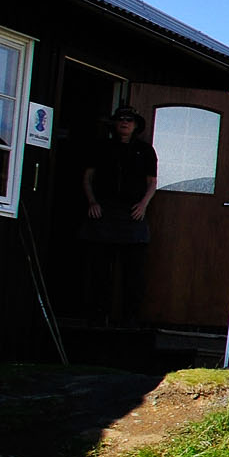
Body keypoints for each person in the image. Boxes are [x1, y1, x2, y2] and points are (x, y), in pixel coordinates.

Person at [79, 104, 158, 325]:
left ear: (135, 125)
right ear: (115, 123)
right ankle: (97, 315)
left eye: (129, 120)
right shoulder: (101, 147)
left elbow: (152, 182)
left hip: (133, 212)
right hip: (104, 210)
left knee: (134, 270)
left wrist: (143, 204)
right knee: (99, 268)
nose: (125, 123)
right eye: (121, 119)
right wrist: (92, 202)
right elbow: (87, 177)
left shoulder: (145, 150)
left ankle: (130, 318)